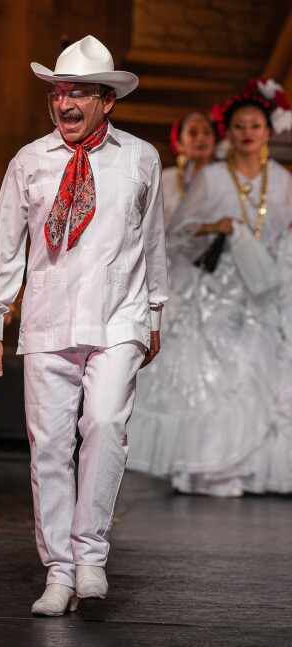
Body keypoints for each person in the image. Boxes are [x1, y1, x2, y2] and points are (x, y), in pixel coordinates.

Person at [0, 35, 168, 616]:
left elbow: (152, 240)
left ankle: (90, 555)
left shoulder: (140, 157)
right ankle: (58, 569)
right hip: (47, 320)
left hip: (119, 315)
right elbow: (4, 248)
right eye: (59, 92)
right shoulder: (29, 160)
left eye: (78, 92)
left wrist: (154, 310)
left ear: (108, 100)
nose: (65, 103)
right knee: (50, 449)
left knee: (105, 424)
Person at [127, 80, 292, 496]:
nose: (248, 133)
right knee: (223, 377)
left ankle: (253, 467)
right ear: (229, 133)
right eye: (239, 127)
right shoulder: (215, 177)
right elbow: (178, 230)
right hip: (217, 292)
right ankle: (213, 467)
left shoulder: (283, 179)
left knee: (262, 373)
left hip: (265, 290)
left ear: (268, 132)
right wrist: (214, 226)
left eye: (255, 125)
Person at [164, 113, 217, 225]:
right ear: (179, 144)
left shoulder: (225, 178)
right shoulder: (166, 178)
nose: (201, 138)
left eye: (207, 133)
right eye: (193, 133)